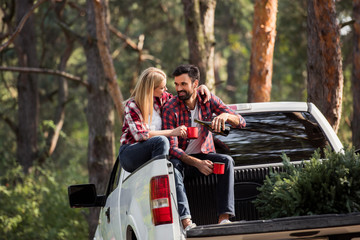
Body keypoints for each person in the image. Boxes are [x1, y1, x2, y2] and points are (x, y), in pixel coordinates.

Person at [162, 64, 246, 230]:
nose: (179, 89)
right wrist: (197, 163)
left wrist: (226, 115)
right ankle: (186, 222)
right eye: (176, 84)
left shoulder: (208, 100)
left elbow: (241, 122)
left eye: (183, 84)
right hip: (183, 160)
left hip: (204, 155)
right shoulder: (170, 108)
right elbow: (172, 148)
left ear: (195, 84)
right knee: (173, 169)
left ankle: (224, 220)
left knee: (226, 161)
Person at [119, 67, 211, 173]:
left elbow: (182, 98)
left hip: (154, 150)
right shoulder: (132, 105)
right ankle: (159, 178)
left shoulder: (161, 99)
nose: (166, 89)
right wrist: (173, 132)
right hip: (131, 154)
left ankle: (163, 179)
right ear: (151, 89)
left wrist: (198, 88)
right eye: (162, 88)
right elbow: (140, 135)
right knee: (162, 140)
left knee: (165, 147)